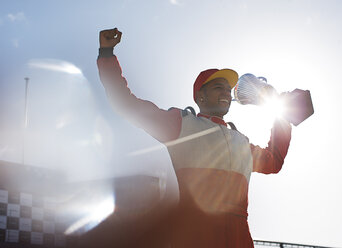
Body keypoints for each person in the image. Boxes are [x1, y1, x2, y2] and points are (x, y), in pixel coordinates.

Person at [97, 28, 292, 248]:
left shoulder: (241, 141)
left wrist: (283, 115)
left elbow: (274, 161)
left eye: (228, 90)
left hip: (240, 238)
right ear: (201, 95)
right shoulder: (181, 123)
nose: (226, 94)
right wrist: (107, 54)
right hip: (196, 233)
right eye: (219, 88)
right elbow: (127, 104)